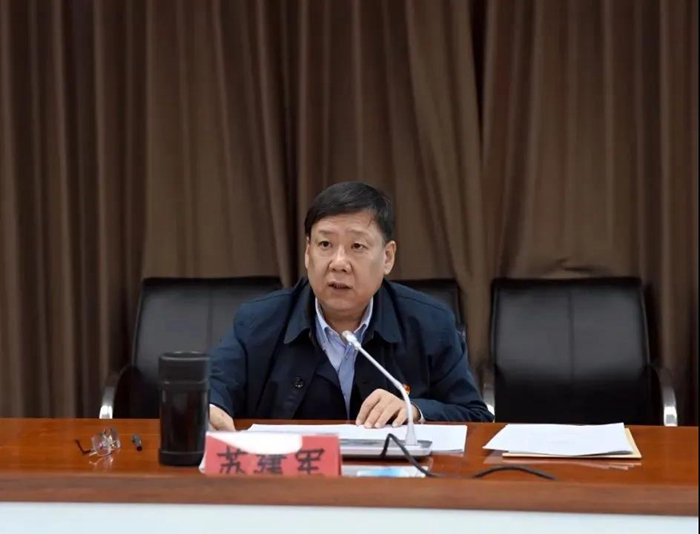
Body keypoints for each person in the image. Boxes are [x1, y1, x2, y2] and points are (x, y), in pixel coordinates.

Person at [208, 181, 493, 431]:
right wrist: (210, 407)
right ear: (307, 252)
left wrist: (416, 410)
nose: (339, 263)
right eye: (325, 245)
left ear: (388, 257)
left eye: (357, 246)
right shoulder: (257, 321)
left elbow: (476, 416)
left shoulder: (430, 323)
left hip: (394, 475)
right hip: (292, 472)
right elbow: (215, 387)